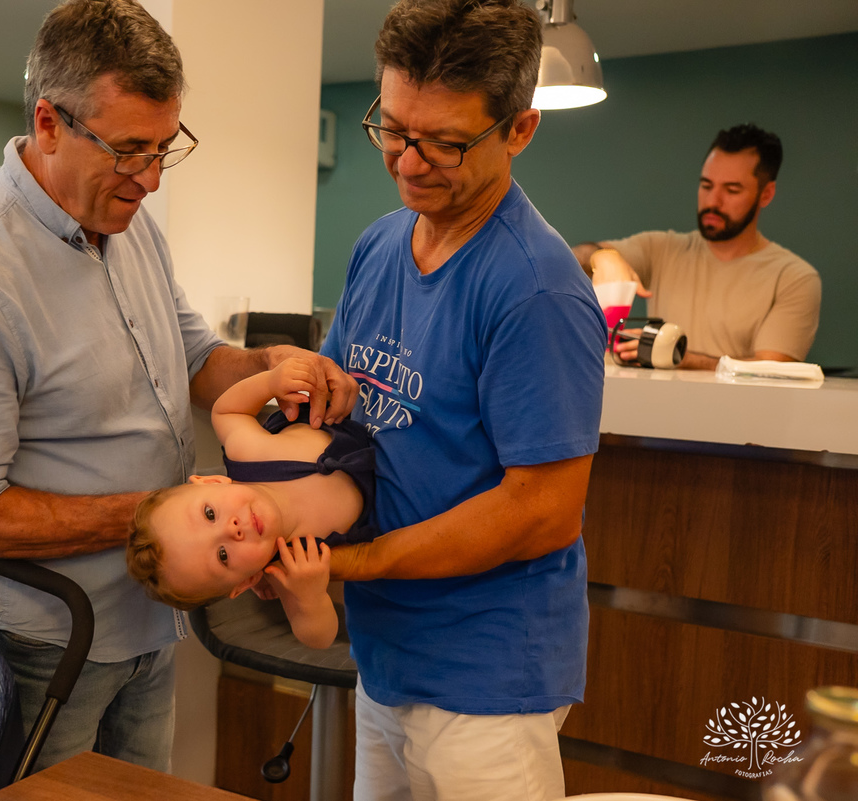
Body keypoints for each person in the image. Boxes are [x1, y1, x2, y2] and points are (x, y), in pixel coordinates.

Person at [0, 0, 354, 774]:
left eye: (165, 148)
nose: (151, 177)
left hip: (148, 626)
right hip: (44, 643)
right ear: (49, 124)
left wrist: (272, 366)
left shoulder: (129, 225)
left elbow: (196, 358)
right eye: (130, 150)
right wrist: (164, 513)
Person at [319, 1, 607, 799]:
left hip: (487, 682)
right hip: (385, 655)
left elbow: (543, 511)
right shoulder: (380, 244)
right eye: (393, 128)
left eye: (444, 142)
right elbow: (338, 407)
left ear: (520, 130)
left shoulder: (535, 288)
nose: (408, 161)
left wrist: (358, 562)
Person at [126, 356, 378, 649]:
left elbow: (226, 411)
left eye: (210, 514)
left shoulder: (250, 454)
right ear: (245, 582)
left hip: (371, 417)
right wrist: (309, 598)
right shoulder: (290, 564)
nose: (231, 529)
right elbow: (319, 638)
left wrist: (271, 382)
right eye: (223, 555)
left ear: (212, 482)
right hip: (403, 501)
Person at [572, 124, 821, 370]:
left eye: (732, 190)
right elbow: (574, 258)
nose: (713, 201)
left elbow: (771, 369)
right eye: (706, 185)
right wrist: (602, 257)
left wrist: (679, 356)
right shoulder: (661, 249)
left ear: (766, 194)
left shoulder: (793, 278)